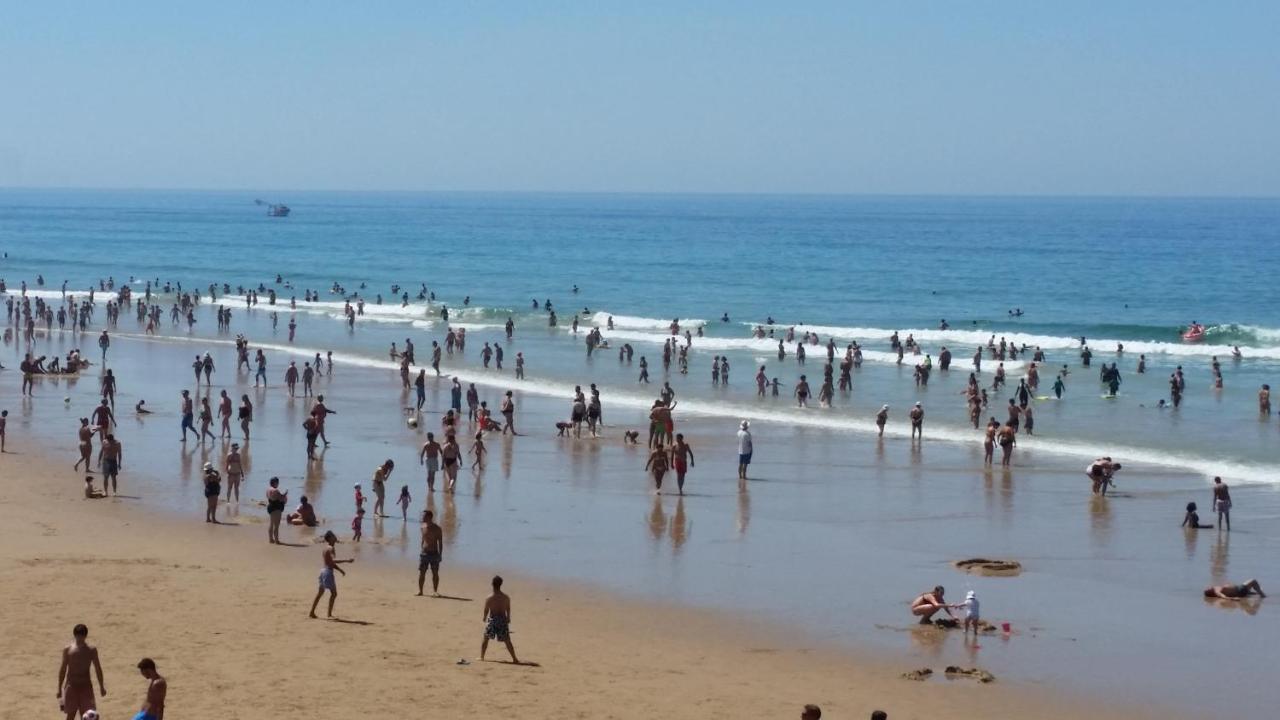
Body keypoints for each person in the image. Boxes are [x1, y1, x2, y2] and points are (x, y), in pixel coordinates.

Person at [57, 623, 106, 720]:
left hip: (86, 686)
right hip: (71, 686)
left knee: (87, 715)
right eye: (79, 635)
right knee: (71, 714)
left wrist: (101, 686)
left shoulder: (91, 650)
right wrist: (59, 688)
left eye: (82, 635)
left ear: (85, 636)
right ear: (75, 635)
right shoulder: (68, 650)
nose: (80, 638)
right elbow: (63, 669)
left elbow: (98, 668)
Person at [309, 530, 353, 618]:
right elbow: (333, 560)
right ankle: (329, 614)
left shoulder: (326, 548)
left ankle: (312, 612)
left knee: (320, 593)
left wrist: (340, 570)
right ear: (330, 538)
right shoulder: (331, 548)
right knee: (334, 593)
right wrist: (347, 560)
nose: (335, 537)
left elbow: (329, 562)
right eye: (333, 536)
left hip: (323, 571)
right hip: (328, 572)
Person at [481, 575, 519, 663]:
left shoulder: (489, 597)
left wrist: (484, 617)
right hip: (502, 620)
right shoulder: (506, 597)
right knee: (507, 640)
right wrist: (508, 617)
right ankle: (514, 658)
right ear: (501, 584)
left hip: (493, 619)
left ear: (492, 584)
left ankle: (482, 657)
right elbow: (508, 608)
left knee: (486, 638)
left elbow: (486, 609)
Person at [417, 509, 443, 596]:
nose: (422, 517)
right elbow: (422, 539)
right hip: (424, 553)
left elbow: (440, 542)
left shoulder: (437, 528)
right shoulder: (422, 527)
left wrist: (440, 555)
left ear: (429, 517)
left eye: (424, 516)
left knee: (435, 573)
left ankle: (435, 591)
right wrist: (421, 549)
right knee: (421, 573)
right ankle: (420, 591)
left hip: (434, 554)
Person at [266, 477, 288, 543]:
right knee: (276, 525)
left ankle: (270, 539)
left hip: (270, 507)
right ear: (275, 483)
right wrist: (285, 494)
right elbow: (281, 498)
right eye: (277, 482)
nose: (278, 484)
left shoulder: (268, 489)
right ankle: (276, 540)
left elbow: (271, 498)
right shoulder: (275, 490)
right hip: (276, 508)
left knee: (271, 524)